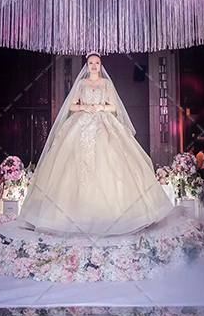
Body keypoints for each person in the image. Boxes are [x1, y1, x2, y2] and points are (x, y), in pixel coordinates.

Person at [18, 53, 173, 235]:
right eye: (91, 63)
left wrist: (101, 107)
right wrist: (84, 107)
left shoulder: (106, 84)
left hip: (103, 124)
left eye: (96, 63)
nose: (93, 65)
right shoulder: (81, 83)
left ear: (100, 65)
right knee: (71, 166)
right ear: (87, 65)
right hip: (81, 124)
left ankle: (118, 218)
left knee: (110, 163)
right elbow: (72, 105)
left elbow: (113, 107)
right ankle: (68, 217)